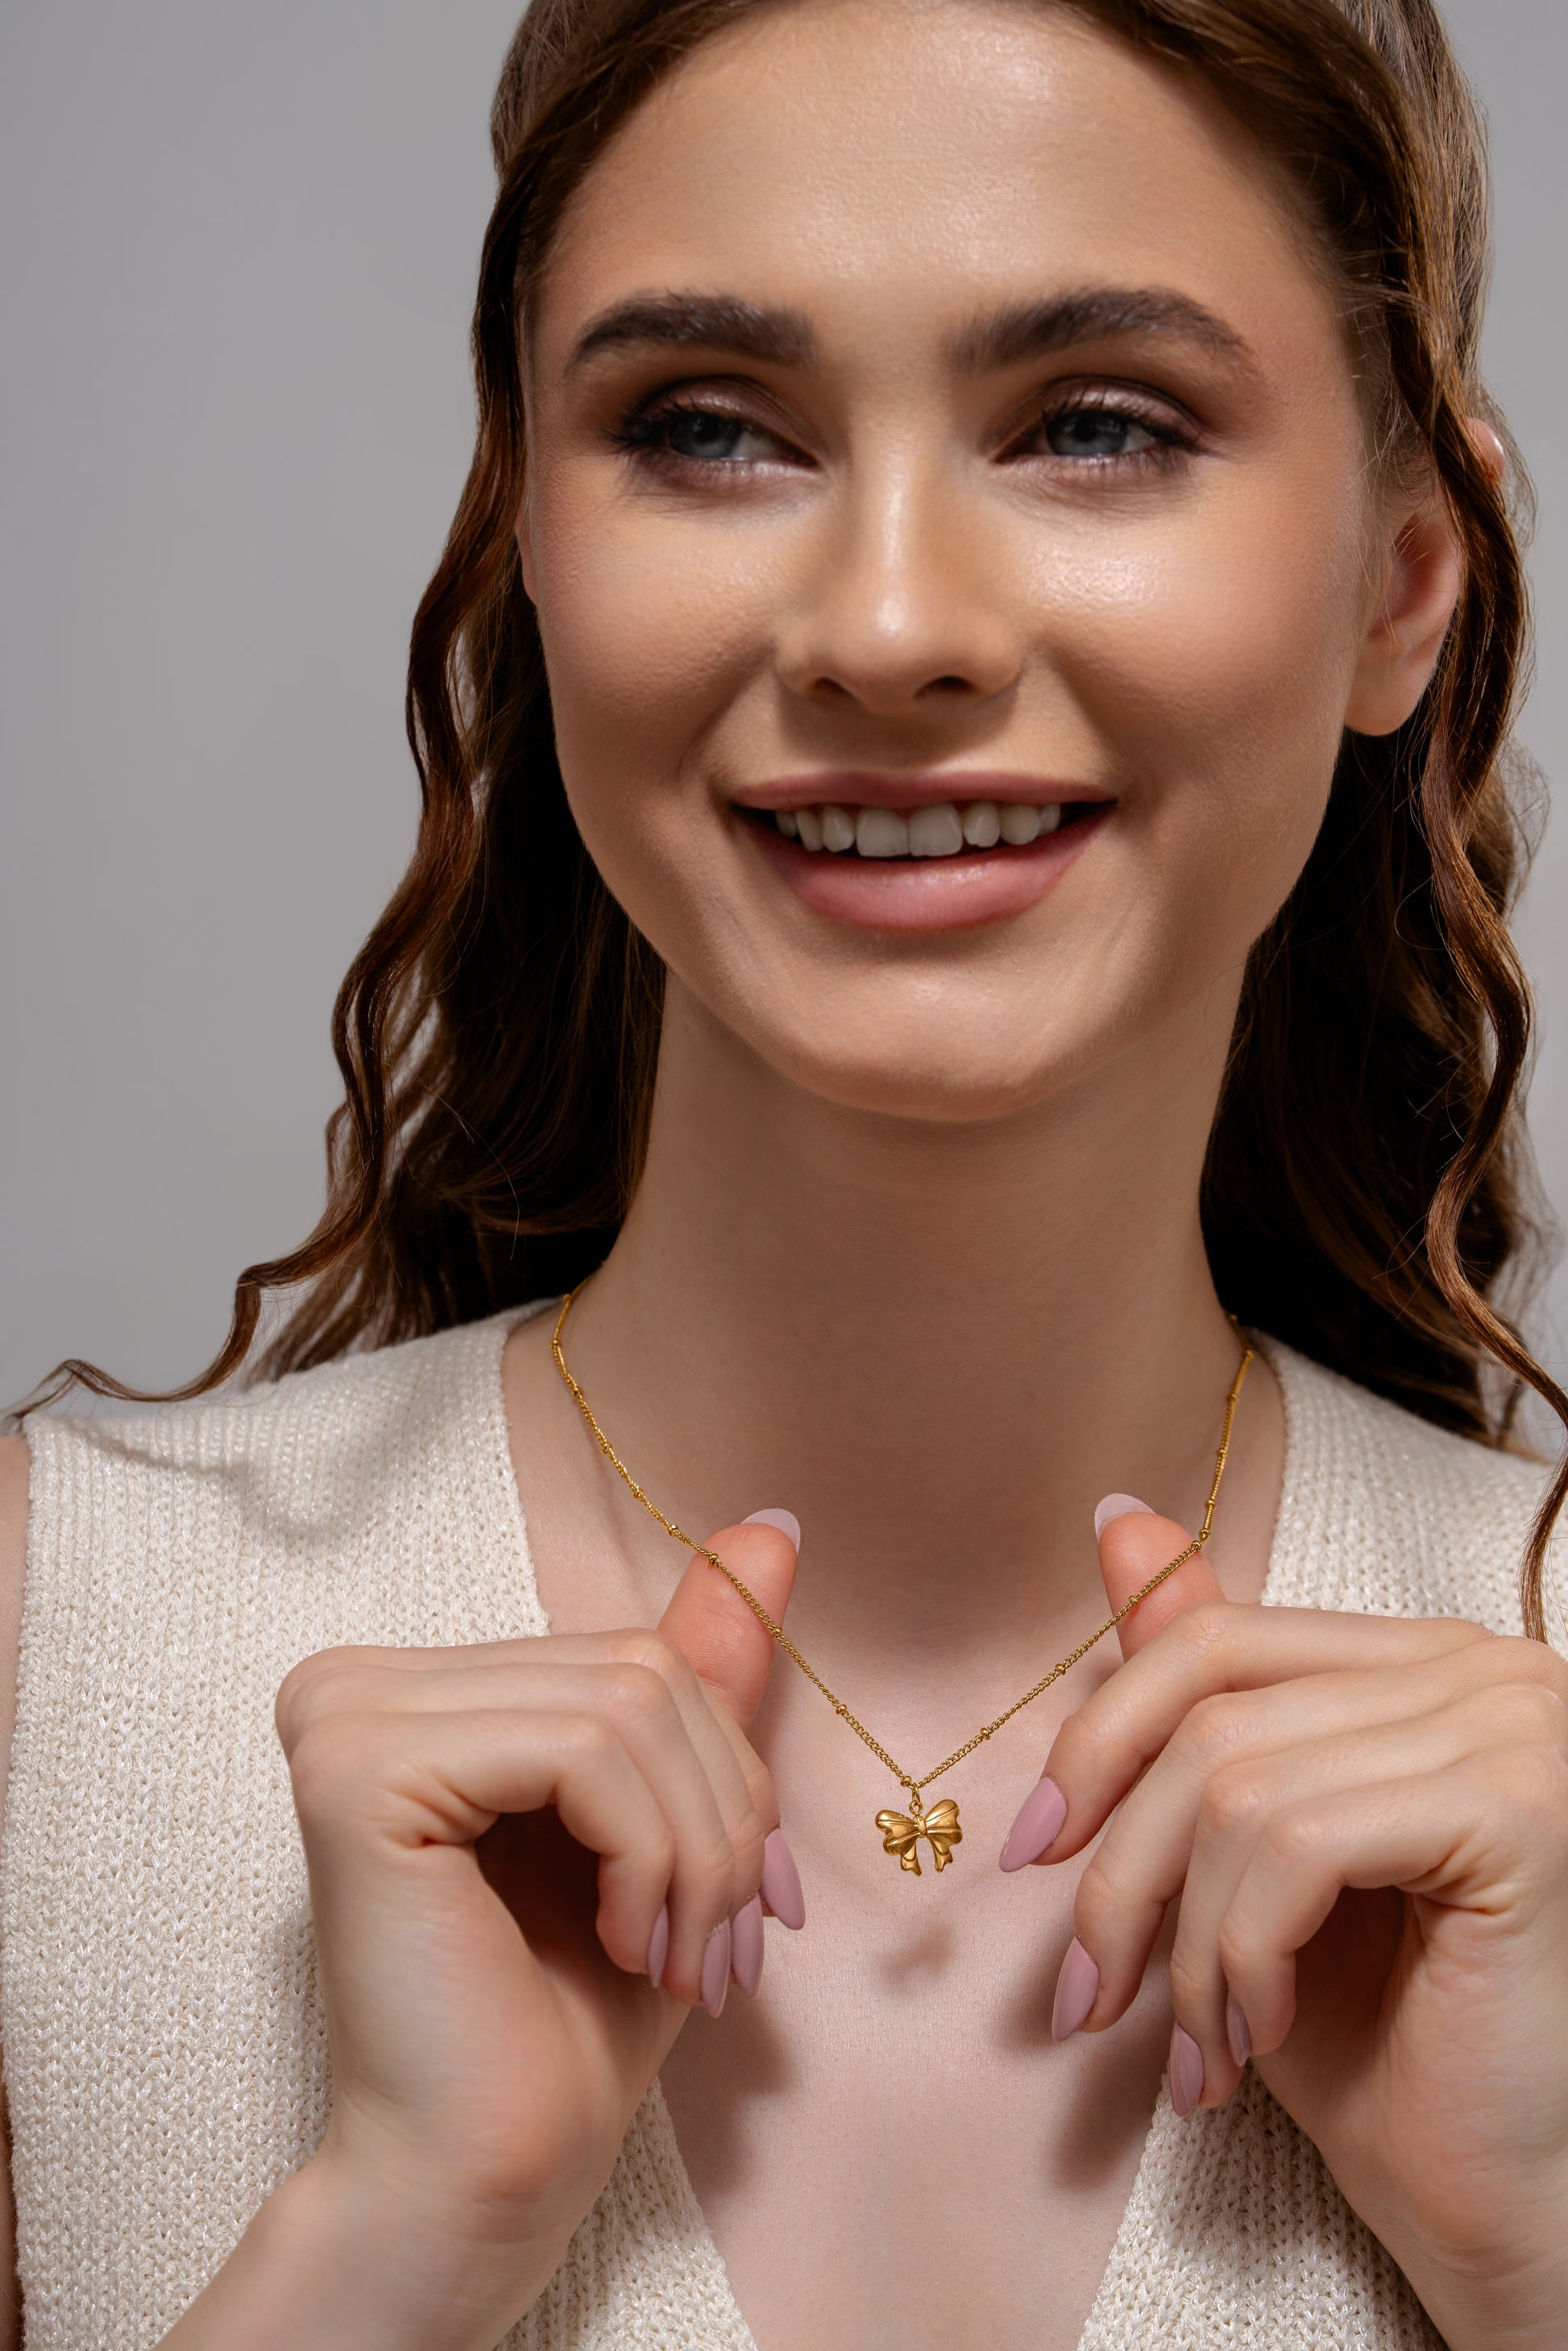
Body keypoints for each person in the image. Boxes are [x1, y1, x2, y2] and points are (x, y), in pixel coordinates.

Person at [3, 0, 1567, 2342]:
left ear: (1400, 582)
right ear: (534, 544)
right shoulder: (51, 1665)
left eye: (1100, 426)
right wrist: (377, 2257)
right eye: (706, 431)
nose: (889, 628)